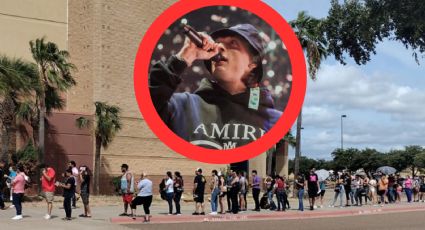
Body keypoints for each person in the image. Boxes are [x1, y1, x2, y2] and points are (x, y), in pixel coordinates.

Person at [149, 24, 282, 150]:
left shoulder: (275, 121)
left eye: (233, 43)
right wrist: (186, 55)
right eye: (217, 43)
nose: (219, 47)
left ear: (253, 62)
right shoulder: (182, 105)